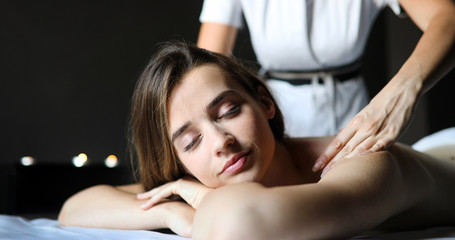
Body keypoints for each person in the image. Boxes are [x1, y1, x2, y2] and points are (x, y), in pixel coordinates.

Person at [58, 42, 455, 239]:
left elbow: (239, 224)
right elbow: (75, 208)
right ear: (179, 162)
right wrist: (169, 213)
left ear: (264, 102)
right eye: (191, 141)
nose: (220, 142)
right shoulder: (201, 183)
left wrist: (199, 202)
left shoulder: (364, 163)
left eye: (229, 111)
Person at [196, 0, 455, 176]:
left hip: (352, 115)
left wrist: (402, 91)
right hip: (273, 120)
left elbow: (449, 18)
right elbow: (204, 75)